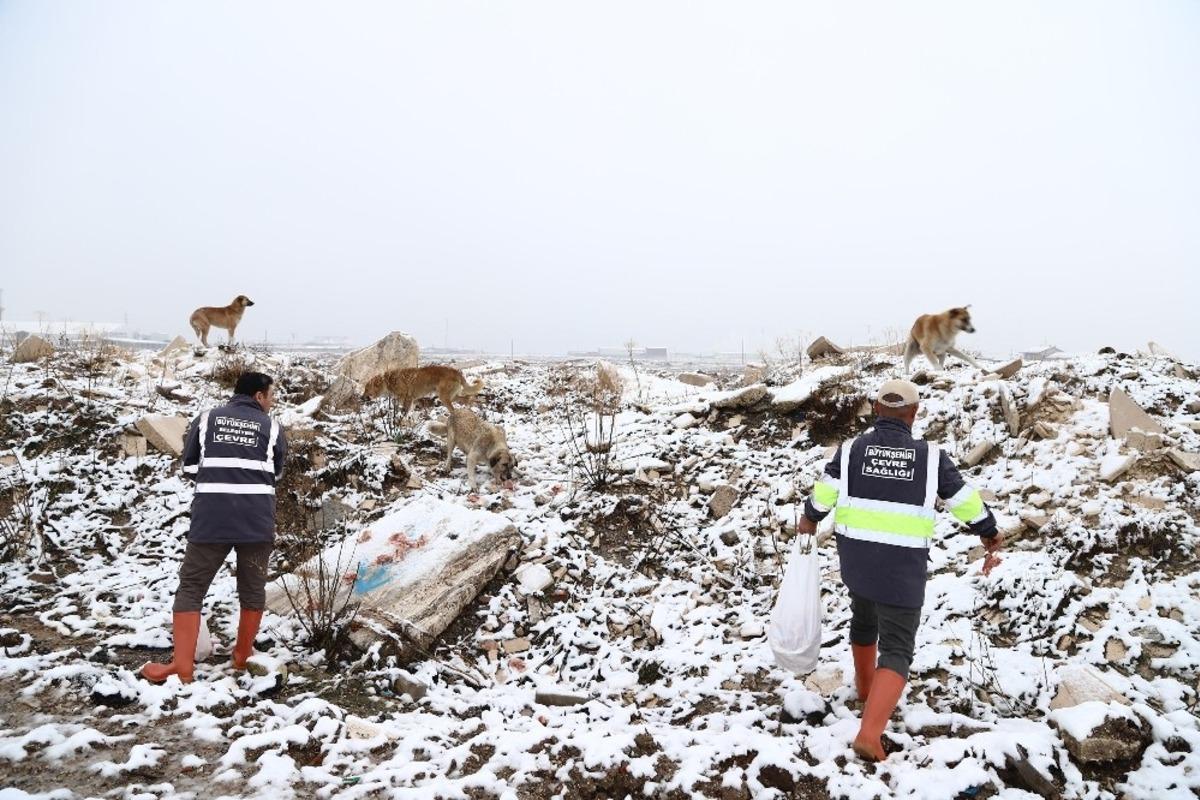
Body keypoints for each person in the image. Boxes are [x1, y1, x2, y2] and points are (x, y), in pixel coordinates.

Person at [797, 378, 1002, 761]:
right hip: (901, 566)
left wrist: (809, 520)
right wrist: (988, 532)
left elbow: (824, 493)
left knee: (864, 617)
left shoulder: (850, 450)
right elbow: (962, 501)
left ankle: (866, 690)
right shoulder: (930, 457)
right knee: (897, 647)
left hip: (856, 558)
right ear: (914, 413)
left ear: (877, 410)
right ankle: (870, 734)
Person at [141, 371, 287, 683]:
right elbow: (274, 472)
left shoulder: (206, 419)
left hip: (212, 518)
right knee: (252, 588)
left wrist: (218, 481)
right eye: (271, 395)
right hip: (256, 521)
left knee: (192, 588)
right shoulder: (272, 427)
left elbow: (191, 466)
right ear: (259, 396)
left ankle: (182, 668)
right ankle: (242, 655)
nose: (272, 401)